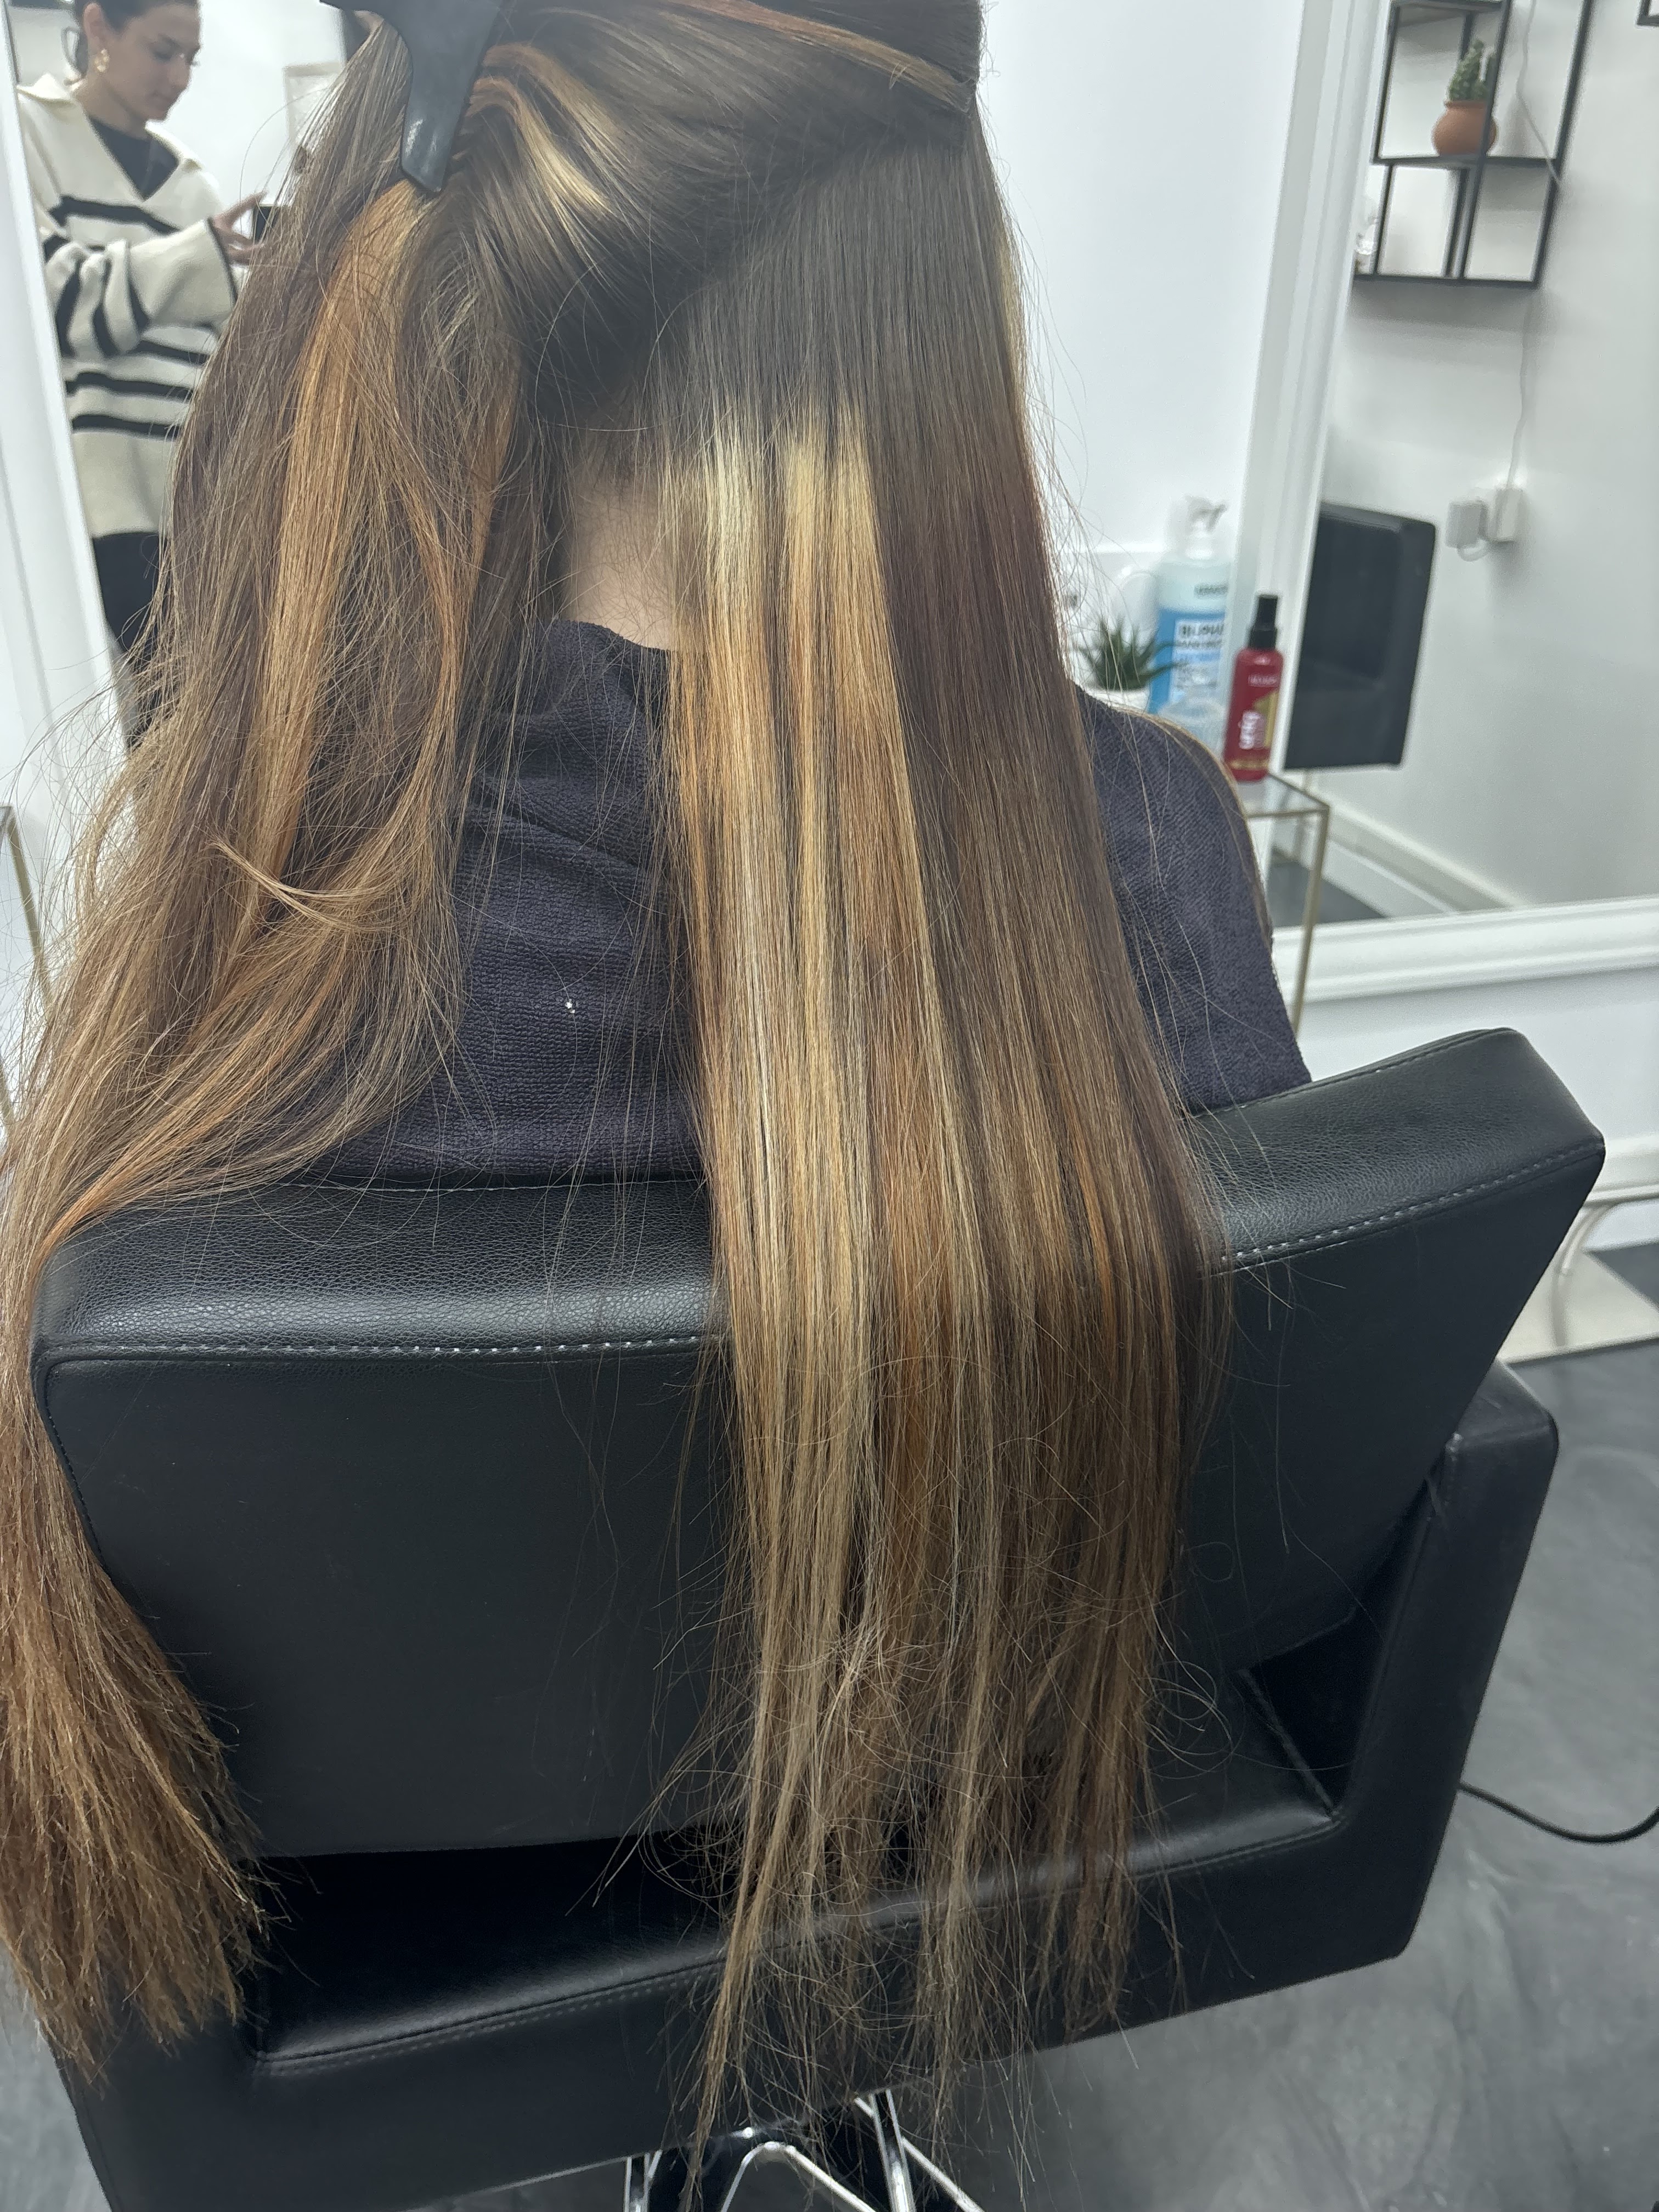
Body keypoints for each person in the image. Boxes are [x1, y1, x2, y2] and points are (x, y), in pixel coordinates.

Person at [0, 0, 1308, 2145]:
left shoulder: (256, 931)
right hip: (968, 1829)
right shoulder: (1167, 845)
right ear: (935, 294)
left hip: (429, 1936)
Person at [17, 1, 259, 656]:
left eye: (191, 60)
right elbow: (62, 307)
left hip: (200, 509)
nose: (179, 78)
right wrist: (194, 260)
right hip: (87, 507)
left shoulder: (195, 186)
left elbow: (231, 363)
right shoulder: (26, 135)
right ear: (99, 27)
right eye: (162, 51)